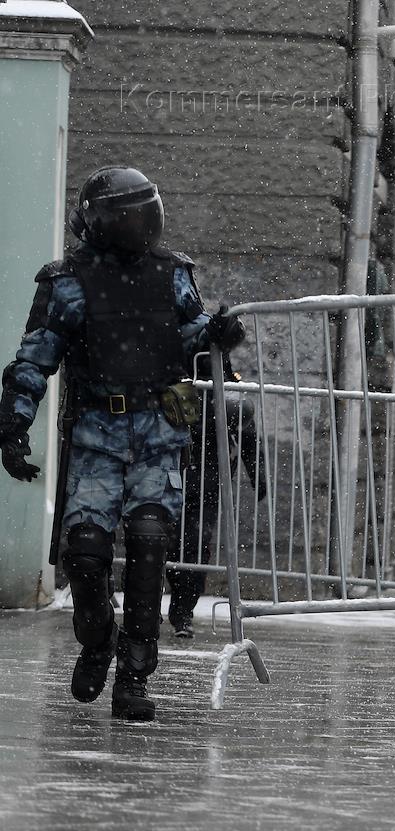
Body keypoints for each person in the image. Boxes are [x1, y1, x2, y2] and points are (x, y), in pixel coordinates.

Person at [0, 166, 245, 722]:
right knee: (85, 553)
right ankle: (97, 640)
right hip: (97, 434)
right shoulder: (68, 281)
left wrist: (218, 335)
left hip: (159, 429)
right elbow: (36, 357)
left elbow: (189, 334)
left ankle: (134, 674)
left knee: (148, 545)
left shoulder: (172, 273)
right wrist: (13, 425)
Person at [166, 355, 265, 639]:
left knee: (194, 546)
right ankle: (167, 608)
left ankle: (182, 610)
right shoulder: (173, 368)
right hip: (174, 472)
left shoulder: (220, 379)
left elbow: (245, 429)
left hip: (201, 477)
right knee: (168, 543)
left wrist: (257, 473)